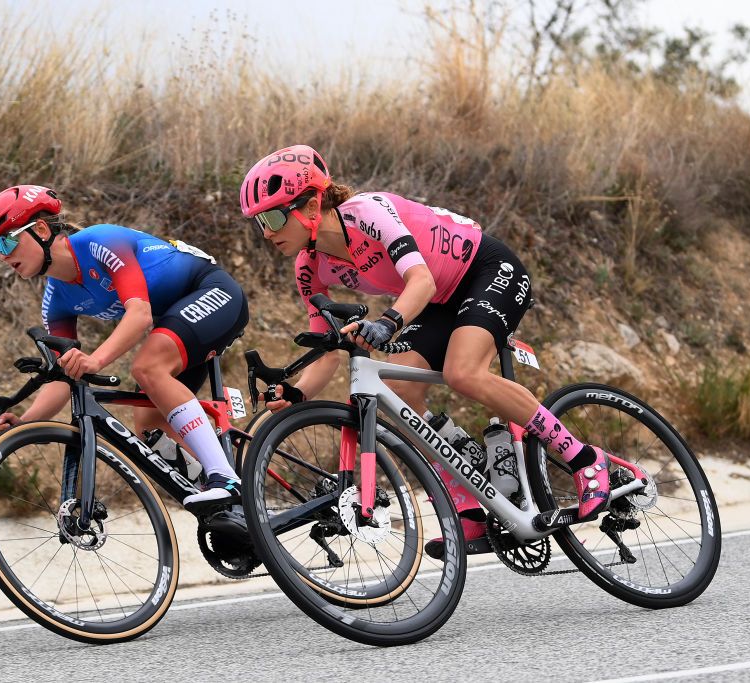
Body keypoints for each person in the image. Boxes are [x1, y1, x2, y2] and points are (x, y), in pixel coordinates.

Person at [239, 145, 613, 554]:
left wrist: (387, 323)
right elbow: (327, 348)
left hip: (485, 271)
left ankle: (583, 458)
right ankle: (469, 506)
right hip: (438, 303)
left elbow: (420, 280)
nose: (266, 232)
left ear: (311, 206)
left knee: (463, 372)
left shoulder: (366, 213)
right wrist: (296, 393)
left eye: (273, 217)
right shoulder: (308, 267)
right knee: (400, 392)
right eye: (259, 222)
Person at [0, 185, 248, 511]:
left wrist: (95, 360)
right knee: (149, 424)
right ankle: (233, 506)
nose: (4, 256)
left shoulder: (100, 242)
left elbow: (139, 314)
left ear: (39, 229)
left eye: (7, 241)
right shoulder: (56, 300)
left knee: (147, 367)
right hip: (175, 322)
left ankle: (225, 478)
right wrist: (25, 423)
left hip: (213, 291)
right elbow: (64, 378)